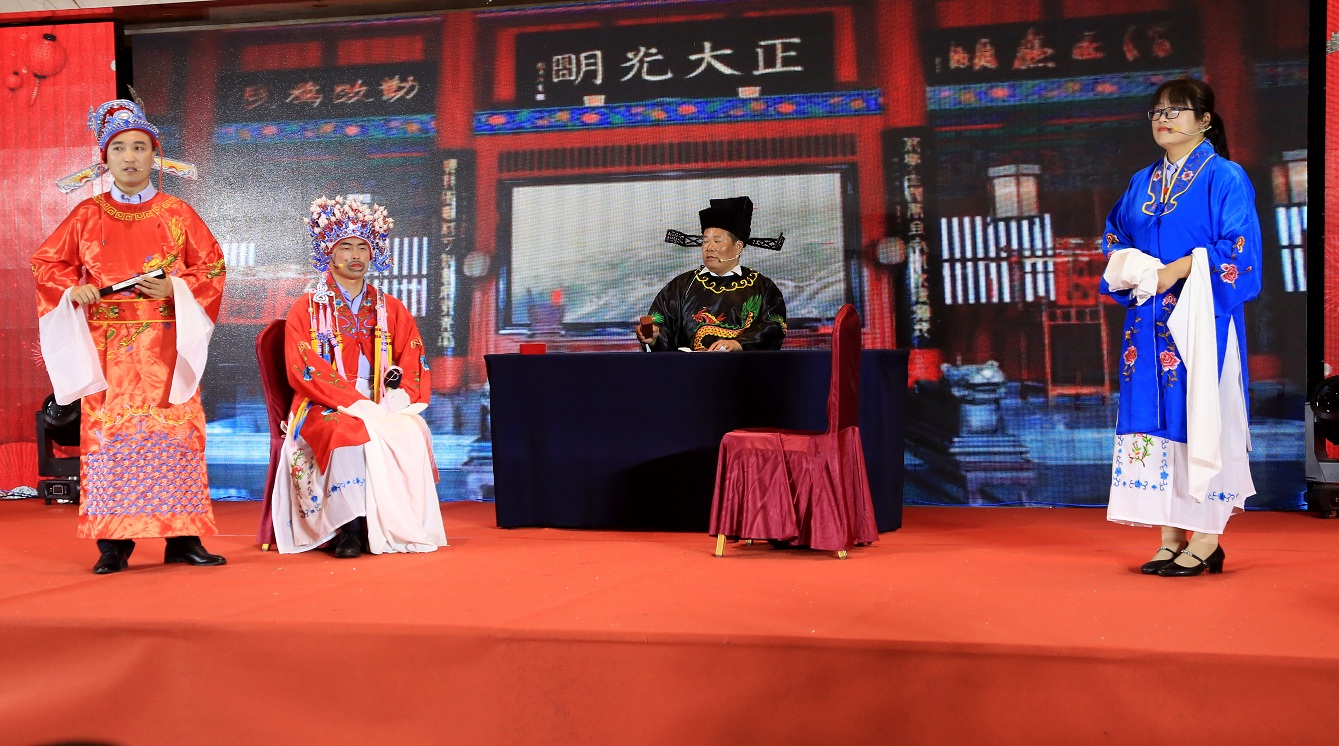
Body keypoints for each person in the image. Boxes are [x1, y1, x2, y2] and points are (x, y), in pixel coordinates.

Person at [31, 99, 227, 574]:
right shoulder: (87, 214)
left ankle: (183, 538)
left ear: (154, 155)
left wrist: (175, 287)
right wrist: (73, 289)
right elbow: (48, 264)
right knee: (111, 438)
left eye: (140, 147)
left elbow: (212, 266)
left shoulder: (177, 212)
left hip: (165, 344)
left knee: (175, 436)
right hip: (109, 349)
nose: (130, 157)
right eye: (119, 148)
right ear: (106, 158)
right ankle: (113, 544)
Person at [1100, 78, 1262, 577]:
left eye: (1175, 110)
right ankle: (1171, 537)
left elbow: (1240, 249)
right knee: (1156, 420)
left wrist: (1180, 268)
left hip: (1203, 320)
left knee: (1203, 417)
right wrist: (1135, 265)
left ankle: (1207, 537)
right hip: (1148, 322)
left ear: (1204, 120)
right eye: (1156, 112)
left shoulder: (1225, 177)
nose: (1163, 119)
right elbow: (1114, 235)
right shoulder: (1141, 181)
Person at [269, 195, 447, 558]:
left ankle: (394, 525)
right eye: (346, 247)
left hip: (381, 400)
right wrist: (353, 403)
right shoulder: (307, 307)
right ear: (329, 252)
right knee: (345, 430)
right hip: (324, 402)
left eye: (362, 247)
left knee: (411, 430)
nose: (355, 255)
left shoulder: (389, 307)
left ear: (373, 252)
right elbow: (304, 367)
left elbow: (412, 355)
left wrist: (398, 397)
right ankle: (349, 528)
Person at [636, 196, 787, 352]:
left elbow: (774, 326)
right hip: (689, 367)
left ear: (738, 246)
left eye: (717, 241)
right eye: (706, 241)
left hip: (741, 367)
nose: (709, 247)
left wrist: (739, 344)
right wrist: (654, 337)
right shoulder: (681, 286)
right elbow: (660, 323)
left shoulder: (762, 287)